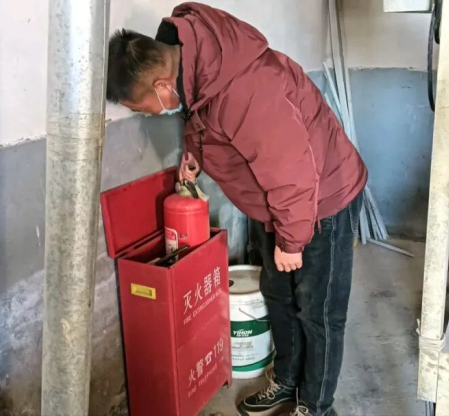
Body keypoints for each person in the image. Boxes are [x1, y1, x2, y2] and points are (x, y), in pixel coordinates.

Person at [106, 3, 367, 415]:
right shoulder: (195, 68)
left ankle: (316, 406)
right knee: (278, 295)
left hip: (321, 201)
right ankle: (288, 380)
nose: (146, 115)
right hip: (277, 206)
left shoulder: (247, 88)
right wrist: (194, 153)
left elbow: (292, 171)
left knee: (318, 311)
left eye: (140, 109)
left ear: (160, 86)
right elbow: (202, 116)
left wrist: (292, 241)